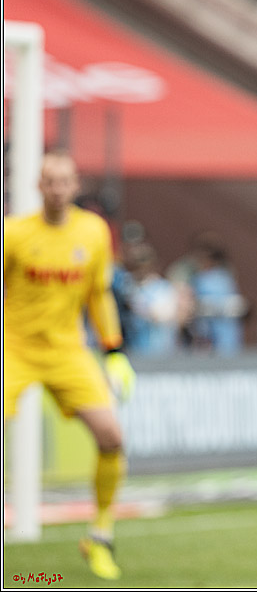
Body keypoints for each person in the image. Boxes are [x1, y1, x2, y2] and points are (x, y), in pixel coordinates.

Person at [3, 151, 137, 581]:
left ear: (75, 186)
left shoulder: (93, 231)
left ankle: (99, 535)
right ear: (37, 186)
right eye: (49, 181)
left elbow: (98, 295)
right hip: (15, 348)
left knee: (111, 436)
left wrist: (113, 352)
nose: (57, 189)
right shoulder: (14, 234)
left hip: (68, 351)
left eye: (64, 181)